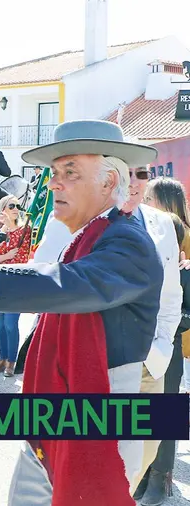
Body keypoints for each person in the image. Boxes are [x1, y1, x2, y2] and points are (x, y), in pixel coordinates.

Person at [0, 119, 163, 505]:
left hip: (102, 405)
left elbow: (72, 284)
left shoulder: (127, 238)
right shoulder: (93, 233)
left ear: (108, 183)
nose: (54, 184)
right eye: (54, 173)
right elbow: (53, 276)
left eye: (70, 173)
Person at [134, 177, 190, 505]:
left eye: (150, 197)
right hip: (145, 334)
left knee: (165, 407)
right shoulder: (148, 232)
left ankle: (160, 475)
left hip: (170, 335)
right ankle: (144, 473)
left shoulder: (180, 235)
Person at [0, 195, 32, 376]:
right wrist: (5, 254)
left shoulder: (24, 230)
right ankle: (2, 358)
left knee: (10, 324)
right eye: (11, 206)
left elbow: (21, 258)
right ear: (3, 209)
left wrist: (11, 229)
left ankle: (11, 362)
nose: (15, 208)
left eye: (17, 205)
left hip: (15, 281)